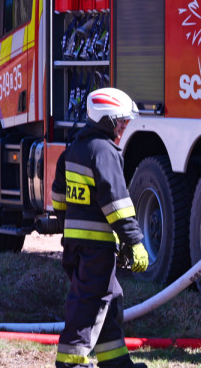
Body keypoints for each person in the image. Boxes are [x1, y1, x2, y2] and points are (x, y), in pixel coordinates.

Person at [52, 88, 149, 368]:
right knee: (89, 303)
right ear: (107, 120)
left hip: (76, 245)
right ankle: (71, 362)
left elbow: (58, 199)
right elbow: (117, 203)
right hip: (97, 247)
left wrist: (72, 228)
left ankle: (115, 361)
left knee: (109, 299)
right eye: (121, 120)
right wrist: (135, 241)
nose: (124, 125)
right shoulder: (104, 151)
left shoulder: (74, 149)